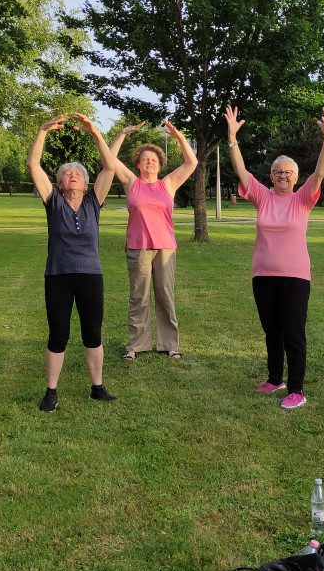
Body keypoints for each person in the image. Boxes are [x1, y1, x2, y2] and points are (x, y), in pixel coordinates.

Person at [224, 104, 324, 409]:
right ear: (271, 176)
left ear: (296, 177)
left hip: (296, 276)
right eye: (278, 171)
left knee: (294, 333)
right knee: (271, 331)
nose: (283, 175)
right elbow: (240, 170)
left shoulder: (303, 199)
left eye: (288, 172)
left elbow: (321, 171)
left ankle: (296, 389)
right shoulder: (262, 196)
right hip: (263, 274)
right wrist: (233, 138)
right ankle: (275, 378)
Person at [27, 113, 118, 412]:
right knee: (58, 333)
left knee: (93, 331)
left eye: (78, 173)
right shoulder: (53, 201)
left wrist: (94, 131)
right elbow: (33, 165)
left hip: (91, 274)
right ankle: (51, 391)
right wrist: (42, 131)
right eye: (67, 173)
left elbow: (109, 166)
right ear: (60, 182)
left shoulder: (94, 201)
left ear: (86, 181)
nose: (73, 175)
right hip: (59, 275)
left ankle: (97, 387)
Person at [107, 121, 197, 360]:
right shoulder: (131, 182)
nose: (150, 162)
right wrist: (122, 134)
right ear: (137, 164)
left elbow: (192, 163)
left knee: (165, 296)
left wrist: (179, 137)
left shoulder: (168, 184)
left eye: (154, 159)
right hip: (138, 247)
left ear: (160, 164)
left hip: (165, 248)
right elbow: (109, 158)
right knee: (139, 297)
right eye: (145, 159)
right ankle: (136, 346)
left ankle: (170, 344)